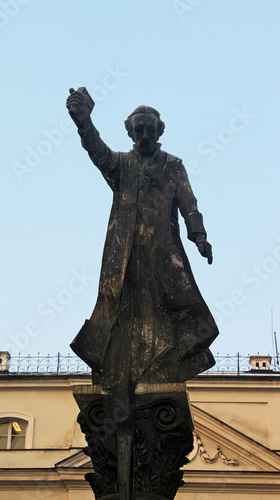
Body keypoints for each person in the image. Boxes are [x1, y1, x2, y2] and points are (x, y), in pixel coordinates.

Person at [66, 89, 219, 391]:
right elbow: (97, 152)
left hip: (163, 252)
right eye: (139, 129)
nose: (145, 134)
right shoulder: (121, 165)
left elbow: (188, 202)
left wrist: (199, 236)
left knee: (171, 308)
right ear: (130, 132)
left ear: (159, 131)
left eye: (151, 129)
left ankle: (164, 363)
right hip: (124, 253)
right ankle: (119, 365)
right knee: (120, 308)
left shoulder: (173, 165)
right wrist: (84, 123)